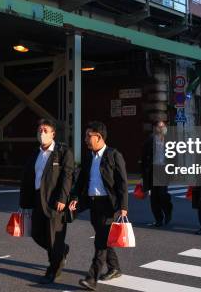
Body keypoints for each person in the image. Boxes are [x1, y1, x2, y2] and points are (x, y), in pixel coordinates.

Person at [69, 121, 128, 291]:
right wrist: (75, 197)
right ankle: (114, 268)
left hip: (108, 204)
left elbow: (123, 183)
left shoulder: (113, 155)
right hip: (93, 203)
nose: (86, 139)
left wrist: (123, 206)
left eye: (89, 136)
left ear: (99, 137)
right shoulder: (89, 157)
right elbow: (81, 181)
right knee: (103, 236)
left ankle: (91, 278)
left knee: (100, 242)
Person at [19, 119, 74, 283]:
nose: (41, 133)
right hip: (37, 200)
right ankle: (61, 250)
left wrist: (63, 198)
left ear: (53, 134)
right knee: (36, 233)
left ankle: (53, 270)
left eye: (45, 130)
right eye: (40, 130)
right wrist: (24, 202)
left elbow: (67, 176)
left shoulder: (62, 152)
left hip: (54, 201)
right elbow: (28, 177)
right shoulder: (36, 153)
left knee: (53, 237)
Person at [140, 120, 173, 227]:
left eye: (163, 126)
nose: (162, 128)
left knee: (162, 195)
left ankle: (168, 211)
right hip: (152, 171)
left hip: (164, 170)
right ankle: (159, 219)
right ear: (154, 128)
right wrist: (143, 176)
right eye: (159, 127)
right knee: (154, 197)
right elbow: (143, 160)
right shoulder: (149, 141)